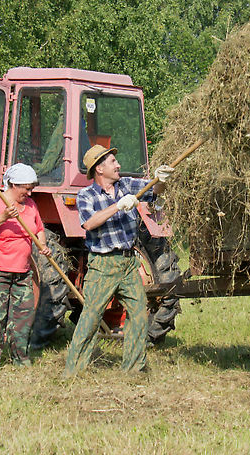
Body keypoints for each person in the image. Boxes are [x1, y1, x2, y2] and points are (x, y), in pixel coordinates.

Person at [65, 145, 174, 375]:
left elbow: (154, 191)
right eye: (113, 162)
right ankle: (74, 370)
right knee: (91, 317)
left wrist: (161, 179)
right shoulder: (87, 195)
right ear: (99, 169)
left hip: (128, 263)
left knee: (138, 315)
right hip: (102, 265)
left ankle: (133, 369)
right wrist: (118, 206)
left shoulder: (126, 185)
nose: (118, 165)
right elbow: (89, 223)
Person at [0, 163, 51, 367]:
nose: (29, 192)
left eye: (31, 187)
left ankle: (20, 358)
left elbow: (39, 228)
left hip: (22, 272)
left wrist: (42, 245)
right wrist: (2, 218)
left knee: (24, 317)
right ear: (13, 184)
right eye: (26, 188)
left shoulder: (31, 205)